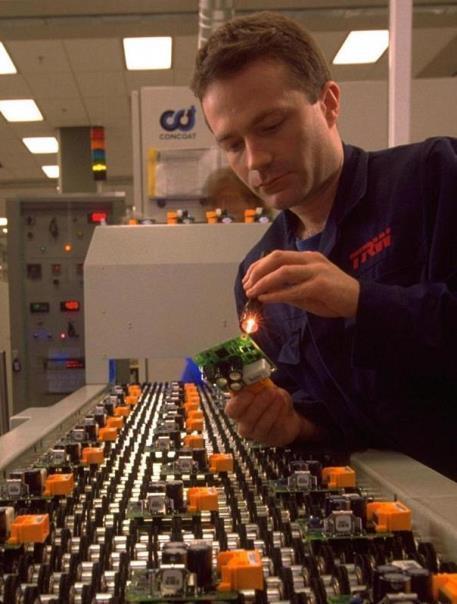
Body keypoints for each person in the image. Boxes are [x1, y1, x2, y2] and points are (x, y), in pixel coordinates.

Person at [190, 12, 457, 480]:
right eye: (232, 144)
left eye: (271, 125)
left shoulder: (433, 176)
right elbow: (321, 408)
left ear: (328, 103)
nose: (256, 161)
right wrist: (291, 421)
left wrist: (360, 300)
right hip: (381, 505)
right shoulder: (258, 271)